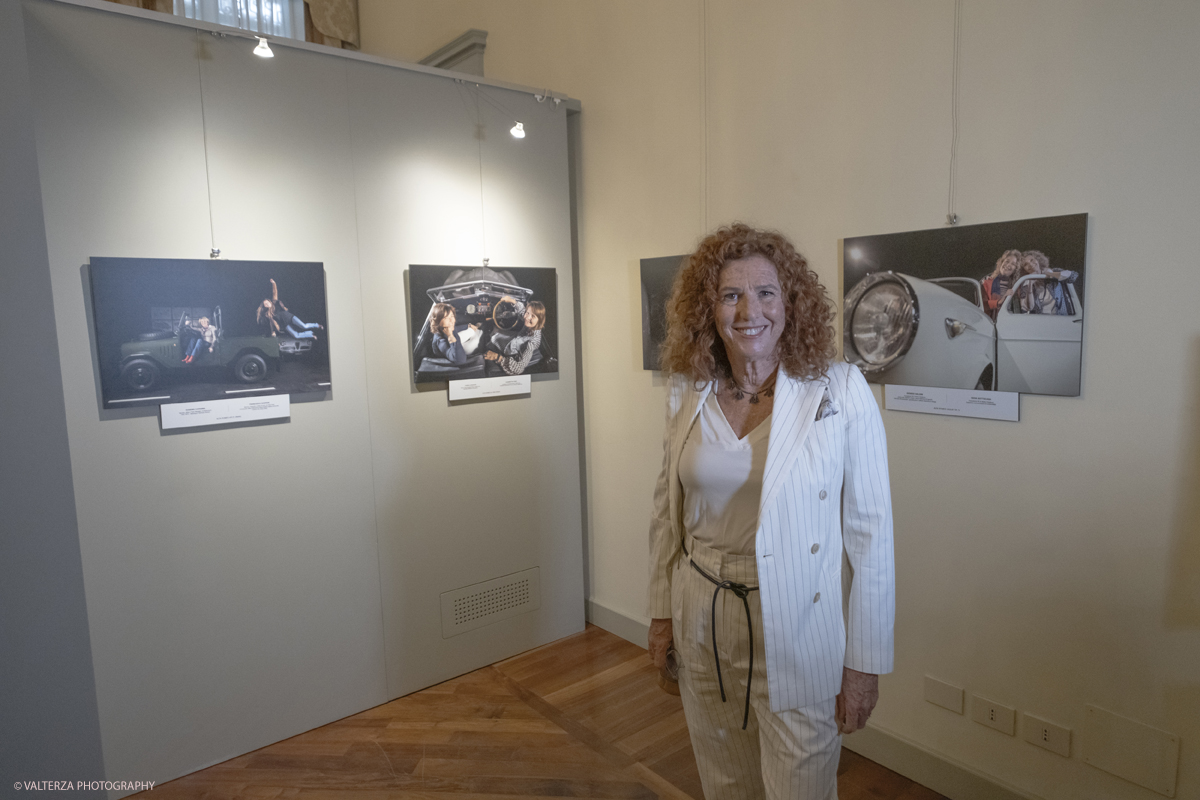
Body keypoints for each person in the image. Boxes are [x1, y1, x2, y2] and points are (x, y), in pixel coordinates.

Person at [646, 224, 894, 800]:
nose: (748, 311)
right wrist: (662, 614)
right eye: (730, 295)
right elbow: (666, 512)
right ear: (708, 309)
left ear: (792, 303)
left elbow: (871, 536)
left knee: (801, 785)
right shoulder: (691, 390)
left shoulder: (839, 390)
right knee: (724, 778)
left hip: (796, 619)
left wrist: (864, 663)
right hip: (700, 612)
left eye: (765, 292)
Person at [484, 300, 545, 375]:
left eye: (533, 316)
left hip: (511, 348)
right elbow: (522, 312)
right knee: (495, 330)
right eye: (528, 313)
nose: (527, 317)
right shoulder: (533, 324)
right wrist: (512, 301)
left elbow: (518, 368)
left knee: (493, 338)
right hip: (516, 338)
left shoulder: (531, 344)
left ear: (540, 320)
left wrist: (497, 357)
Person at [257, 278, 322, 339]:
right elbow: (272, 323)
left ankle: (317, 325)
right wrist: (273, 331)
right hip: (284, 324)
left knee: (304, 326)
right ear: (265, 306)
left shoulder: (275, 303)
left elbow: (275, 292)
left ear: (269, 301)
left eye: (267, 302)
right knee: (296, 335)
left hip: (289, 317)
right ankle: (311, 334)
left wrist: (274, 283)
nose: (267, 304)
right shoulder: (269, 314)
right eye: (265, 304)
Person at [981, 249, 1022, 319]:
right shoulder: (987, 283)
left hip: (1012, 321)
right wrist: (999, 301)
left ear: (1016, 269)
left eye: (1013, 264)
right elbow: (982, 305)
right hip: (992, 322)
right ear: (1001, 263)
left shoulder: (1017, 286)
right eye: (1007, 261)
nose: (1008, 265)